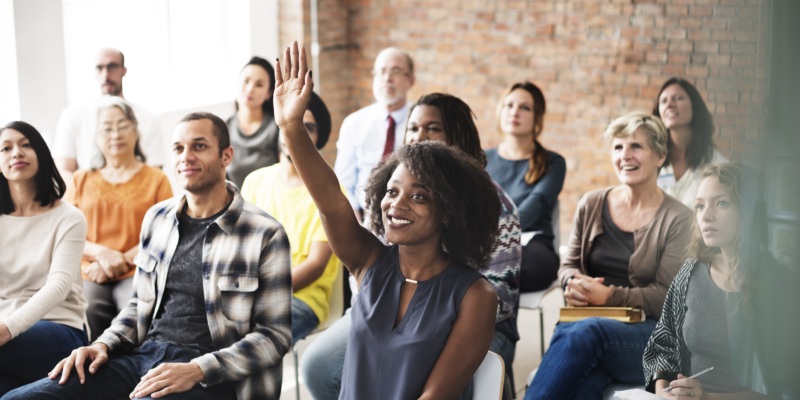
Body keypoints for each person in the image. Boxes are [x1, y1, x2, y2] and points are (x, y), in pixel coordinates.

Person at [3, 112, 292, 400]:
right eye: (178, 148)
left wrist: (197, 370)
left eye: (199, 146)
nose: (186, 156)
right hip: (142, 357)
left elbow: (273, 336)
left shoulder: (264, 233)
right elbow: (138, 305)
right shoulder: (158, 219)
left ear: (226, 156)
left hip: (212, 375)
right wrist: (102, 345)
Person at [276, 42, 498, 400]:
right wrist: (291, 127)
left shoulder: (475, 294)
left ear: (449, 210)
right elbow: (332, 204)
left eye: (419, 195)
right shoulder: (370, 262)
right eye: (392, 191)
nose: (397, 204)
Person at [525, 112, 693, 400]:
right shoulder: (591, 203)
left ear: (660, 155)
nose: (625, 155)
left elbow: (668, 297)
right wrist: (573, 284)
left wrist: (608, 296)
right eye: (618, 147)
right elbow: (569, 264)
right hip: (587, 325)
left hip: (649, 337)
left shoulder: (679, 218)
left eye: (636, 147)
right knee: (585, 384)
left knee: (587, 333)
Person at [643, 163, 798, 399]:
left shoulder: (777, 284)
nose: (706, 215)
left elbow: (786, 388)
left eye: (721, 203)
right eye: (700, 206)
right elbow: (662, 344)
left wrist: (705, 397)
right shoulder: (690, 272)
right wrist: (664, 392)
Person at [66, 96, 173, 341]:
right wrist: (103, 256)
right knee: (88, 309)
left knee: (135, 312)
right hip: (91, 269)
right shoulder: (81, 179)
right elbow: (68, 234)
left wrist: (119, 261)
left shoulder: (156, 179)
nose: (116, 134)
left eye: (123, 126)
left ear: (136, 131)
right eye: (107, 128)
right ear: (96, 137)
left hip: (139, 267)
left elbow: (164, 233)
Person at [241, 91, 340, 343]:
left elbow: (316, 266)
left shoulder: (328, 193)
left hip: (302, 299)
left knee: (248, 341)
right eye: (292, 124)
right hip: (251, 292)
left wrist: (261, 292)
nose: (298, 133)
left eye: (308, 127)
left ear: (319, 136)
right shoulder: (255, 181)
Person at [0, 121, 88, 396]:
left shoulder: (69, 217)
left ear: (41, 154)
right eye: (6, 147)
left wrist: (6, 329)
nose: (17, 153)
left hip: (60, 328)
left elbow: (58, 285)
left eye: (26, 145)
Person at [486, 82, 565, 292]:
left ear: (537, 117)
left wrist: (497, 236)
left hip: (531, 245)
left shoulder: (553, 162)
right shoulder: (481, 159)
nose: (515, 112)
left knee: (508, 264)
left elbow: (535, 206)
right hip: (486, 243)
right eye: (509, 105)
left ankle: (498, 325)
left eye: (525, 107)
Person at [53, 48, 165, 183]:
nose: (105, 75)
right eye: (99, 68)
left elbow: (155, 174)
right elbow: (63, 172)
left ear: (124, 70)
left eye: (112, 67)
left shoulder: (148, 119)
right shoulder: (72, 116)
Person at [333, 47, 415, 219]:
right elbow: (343, 183)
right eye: (381, 72)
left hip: (408, 216)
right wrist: (355, 223)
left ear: (410, 79)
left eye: (396, 71)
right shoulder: (354, 123)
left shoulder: (419, 122)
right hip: (364, 217)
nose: (387, 78)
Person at [654, 77, 726, 208]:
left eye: (678, 98)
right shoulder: (652, 160)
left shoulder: (717, 165)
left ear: (695, 106)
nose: (669, 104)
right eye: (664, 101)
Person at [226, 56, 280, 188]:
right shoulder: (224, 128)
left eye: (259, 85)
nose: (250, 89)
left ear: (269, 93)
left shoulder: (276, 128)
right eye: (246, 81)